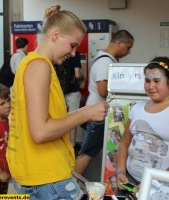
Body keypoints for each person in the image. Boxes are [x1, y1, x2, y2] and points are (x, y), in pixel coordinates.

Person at [6, 5, 108, 200]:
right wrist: (84, 114)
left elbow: (44, 119)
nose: (73, 53)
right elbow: (41, 131)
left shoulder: (34, 64)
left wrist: (84, 111)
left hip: (36, 175)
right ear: (56, 35)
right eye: (72, 45)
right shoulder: (39, 66)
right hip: (46, 178)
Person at [115, 56, 169, 196]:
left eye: (156, 81)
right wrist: (120, 172)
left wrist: (153, 183)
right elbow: (124, 145)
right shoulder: (137, 108)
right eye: (147, 81)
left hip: (162, 187)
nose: (151, 86)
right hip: (130, 181)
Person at [75, 30, 134, 179]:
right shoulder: (105, 61)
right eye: (128, 47)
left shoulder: (109, 60)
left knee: (91, 152)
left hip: (101, 115)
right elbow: (103, 91)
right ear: (119, 43)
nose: (129, 51)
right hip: (98, 117)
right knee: (87, 154)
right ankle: (71, 187)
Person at [65, 51, 84, 149]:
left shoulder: (59, 53)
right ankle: (72, 143)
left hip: (60, 90)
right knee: (73, 117)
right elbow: (77, 75)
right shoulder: (75, 55)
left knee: (59, 116)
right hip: (73, 90)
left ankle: (61, 142)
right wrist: (82, 77)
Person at [0, 84, 11, 194]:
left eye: (8, 100)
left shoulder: (5, 119)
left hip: (5, 170)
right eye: (2, 104)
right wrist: (1, 173)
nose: (8, 105)